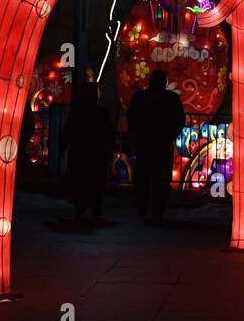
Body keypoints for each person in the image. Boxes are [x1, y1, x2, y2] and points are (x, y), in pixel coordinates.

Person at [127, 69, 184, 221]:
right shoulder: (172, 98)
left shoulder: (140, 97)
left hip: (145, 142)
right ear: (165, 83)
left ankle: (141, 207)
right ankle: (157, 209)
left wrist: (135, 134)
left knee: (142, 177)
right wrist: (171, 135)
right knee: (161, 178)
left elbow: (131, 117)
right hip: (163, 143)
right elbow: (179, 120)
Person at [62, 83, 115, 221]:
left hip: (81, 152)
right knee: (95, 178)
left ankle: (82, 205)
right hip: (96, 152)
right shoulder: (101, 113)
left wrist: (63, 146)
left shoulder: (78, 112)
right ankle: (94, 204)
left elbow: (68, 131)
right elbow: (109, 133)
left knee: (81, 178)